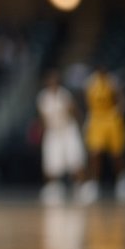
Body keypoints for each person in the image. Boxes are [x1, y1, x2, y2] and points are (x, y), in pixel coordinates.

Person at [82, 65, 125, 201]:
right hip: (97, 119)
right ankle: (93, 183)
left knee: (116, 153)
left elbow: (121, 99)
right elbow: (87, 102)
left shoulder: (112, 81)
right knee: (95, 152)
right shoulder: (90, 82)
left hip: (111, 119)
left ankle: (123, 178)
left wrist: (119, 112)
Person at [36, 69, 85, 204]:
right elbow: (42, 117)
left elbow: (74, 112)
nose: (52, 83)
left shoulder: (64, 95)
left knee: (75, 158)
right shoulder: (43, 97)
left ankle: (80, 186)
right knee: (51, 161)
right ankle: (53, 187)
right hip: (53, 131)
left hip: (68, 129)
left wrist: (81, 126)